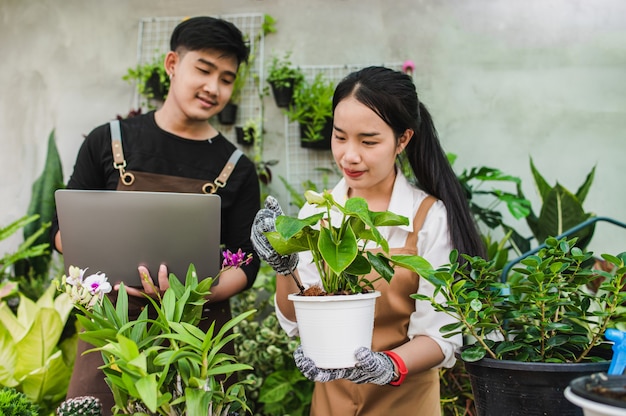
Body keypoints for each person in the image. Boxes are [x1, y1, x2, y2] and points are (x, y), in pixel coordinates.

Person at [51, 16, 261, 415]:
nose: (213, 87)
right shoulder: (108, 141)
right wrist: (94, 263)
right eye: (203, 69)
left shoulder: (236, 166)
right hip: (113, 332)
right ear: (171, 64)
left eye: (227, 78)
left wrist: (192, 294)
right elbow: (61, 232)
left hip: (199, 340)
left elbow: (246, 263)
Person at [251, 66, 485, 415]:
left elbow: (440, 337)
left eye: (369, 141)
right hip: (330, 404)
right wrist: (283, 264)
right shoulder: (316, 216)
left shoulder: (429, 218)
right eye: (340, 136)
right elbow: (296, 320)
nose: (350, 155)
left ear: (403, 140)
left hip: (406, 404)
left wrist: (388, 365)